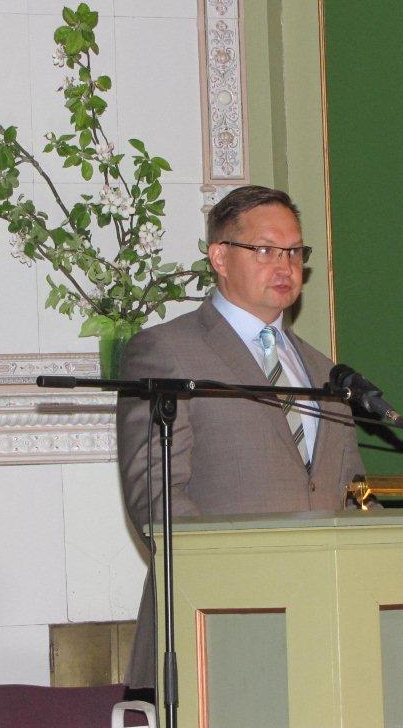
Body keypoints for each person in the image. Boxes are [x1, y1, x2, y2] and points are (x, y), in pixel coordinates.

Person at [116, 184, 367, 690]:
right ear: (220, 257)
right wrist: (234, 584)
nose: (285, 266)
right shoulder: (166, 352)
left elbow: (352, 493)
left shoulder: (324, 370)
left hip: (322, 622)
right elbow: (158, 500)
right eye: (266, 250)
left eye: (294, 252)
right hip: (216, 625)